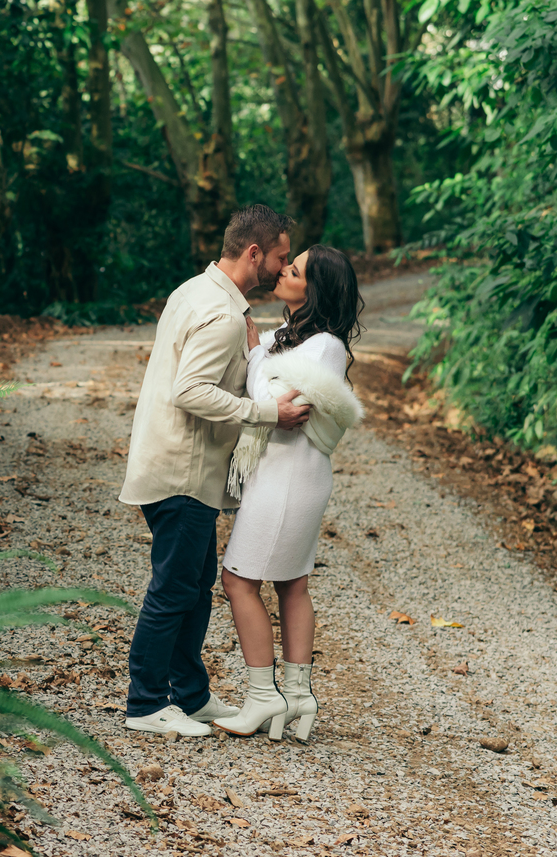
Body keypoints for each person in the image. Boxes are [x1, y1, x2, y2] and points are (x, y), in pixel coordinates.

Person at [118, 205, 312, 738]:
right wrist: (267, 412)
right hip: (182, 469)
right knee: (175, 588)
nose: (282, 266)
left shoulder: (193, 290)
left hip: (183, 468)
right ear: (255, 253)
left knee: (196, 584)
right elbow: (190, 390)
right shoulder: (223, 315)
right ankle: (144, 703)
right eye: (279, 256)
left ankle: (192, 696)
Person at [212, 245, 364, 742]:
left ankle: (263, 697)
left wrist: (257, 359)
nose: (283, 271)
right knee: (292, 585)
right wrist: (263, 359)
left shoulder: (325, 346)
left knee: (238, 581)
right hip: (278, 472)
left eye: (294, 271)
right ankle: (297, 694)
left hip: (291, 476)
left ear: (314, 290)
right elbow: (267, 397)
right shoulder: (287, 335)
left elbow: (275, 405)